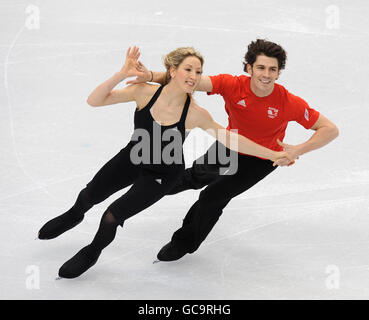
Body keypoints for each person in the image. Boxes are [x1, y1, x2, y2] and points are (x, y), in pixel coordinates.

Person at [37, 46, 293, 279]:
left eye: (199, 71)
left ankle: (91, 252)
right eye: (188, 69)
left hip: (162, 174)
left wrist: (271, 155)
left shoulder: (195, 114)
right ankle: (74, 214)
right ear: (173, 71)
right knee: (90, 193)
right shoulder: (144, 92)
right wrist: (121, 73)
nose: (194, 76)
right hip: (132, 158)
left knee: (112, 215)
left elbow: (232, 140)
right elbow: (94, 100)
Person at [129, 39, 339, 262]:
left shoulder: (288, 102)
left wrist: (299, 149)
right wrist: (150, 76)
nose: (266, 74)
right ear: (249, 68)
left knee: (212, 197)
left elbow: (330, 129)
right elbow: (189, 81)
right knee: (191, 178)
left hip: (261, 159)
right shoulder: (233, 85)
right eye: (260, 67)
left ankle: (182, 243)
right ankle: (145, 187)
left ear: (278, 73)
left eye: (272, 69)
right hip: (229, 146)